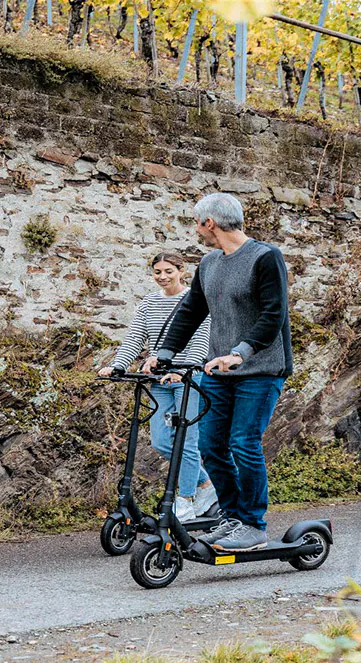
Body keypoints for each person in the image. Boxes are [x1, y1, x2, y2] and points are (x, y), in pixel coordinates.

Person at [145, 194, 292, 551]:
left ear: (209, 223)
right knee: (211, 445)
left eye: (197, 222)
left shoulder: (265, 257)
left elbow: (273, 314)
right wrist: (163, 353)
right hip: (218, 372)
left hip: (260, 369)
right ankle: (232, 518)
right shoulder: (209, 263)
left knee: (243, 442)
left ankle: (253, 525)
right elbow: (190, 311)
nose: (196, 229)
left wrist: (240, 353)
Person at [99, 253, 217, 522]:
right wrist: (118, 365)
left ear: (181, 270)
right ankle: (206, 485)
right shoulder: (150, 302)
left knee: (186, 441)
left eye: (168, 271)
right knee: (163, 442)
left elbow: (201, 340)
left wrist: (182, 369)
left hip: (187, 379)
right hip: (158, 379)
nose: (162, 277)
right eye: (157, 272)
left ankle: (185, 499)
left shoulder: (195, 300)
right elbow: (135, 336)